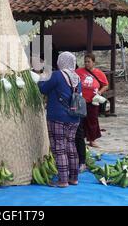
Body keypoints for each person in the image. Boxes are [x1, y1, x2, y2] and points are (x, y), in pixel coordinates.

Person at [38, 52, 82, 188]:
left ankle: (62, 180)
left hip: (58, 116)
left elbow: (43, 89)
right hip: (74, 116)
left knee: (59, 148)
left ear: (61, 61)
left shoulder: (57, 75)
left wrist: (40, 78)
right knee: (71, 146)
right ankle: (73, 178)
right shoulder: (77, 77)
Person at [76, 53, 109, 148]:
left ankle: (92, 140)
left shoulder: (99, 73)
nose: (86, 63)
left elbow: (106, 85)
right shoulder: (78, 71)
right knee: (80, 121)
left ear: (93, 62)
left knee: (92, 120)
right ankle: (80, 140)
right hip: (81, 101)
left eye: (88, 62)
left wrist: (99, 92)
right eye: (85, 62)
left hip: (93, 101)